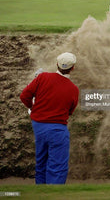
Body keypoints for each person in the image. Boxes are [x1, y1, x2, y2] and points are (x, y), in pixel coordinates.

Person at [20, 52, 79, 184]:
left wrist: (32, 107)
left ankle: (41, 193)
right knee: (57, 166)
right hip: (57, 129)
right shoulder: (73, 89)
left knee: (41, 162)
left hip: (38, 126)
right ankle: (54, 196)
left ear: (57, 64)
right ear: (72, 68)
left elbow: (24, 96)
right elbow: (70, 111)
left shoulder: (42, 77)